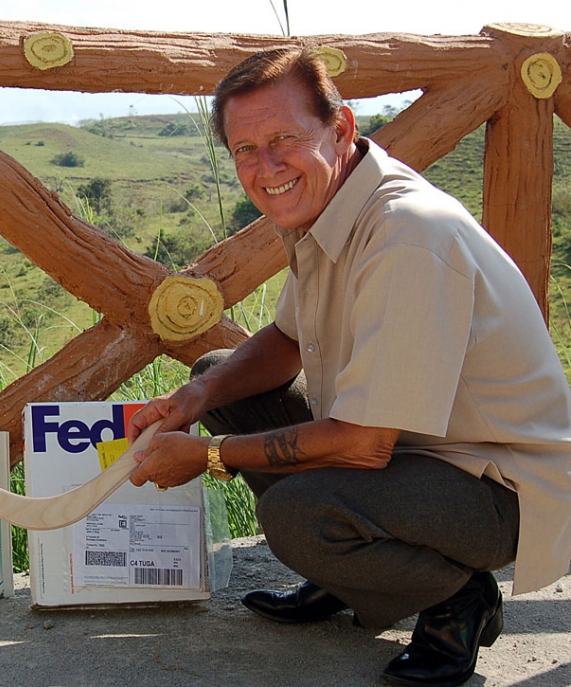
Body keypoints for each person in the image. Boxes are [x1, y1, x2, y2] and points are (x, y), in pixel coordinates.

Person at [126, 47, 571, 687]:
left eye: (283, 138)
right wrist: (197, 401)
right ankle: (350, 576)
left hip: (499, 484)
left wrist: (208, 456)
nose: (265, 165)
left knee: (298, 515)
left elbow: (363, 445)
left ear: (342, 129)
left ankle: (456, 599)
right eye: (244, 149)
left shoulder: (406, 236)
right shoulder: (331, 200)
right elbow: (285, 339)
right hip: (415, 453)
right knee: (218, 371)